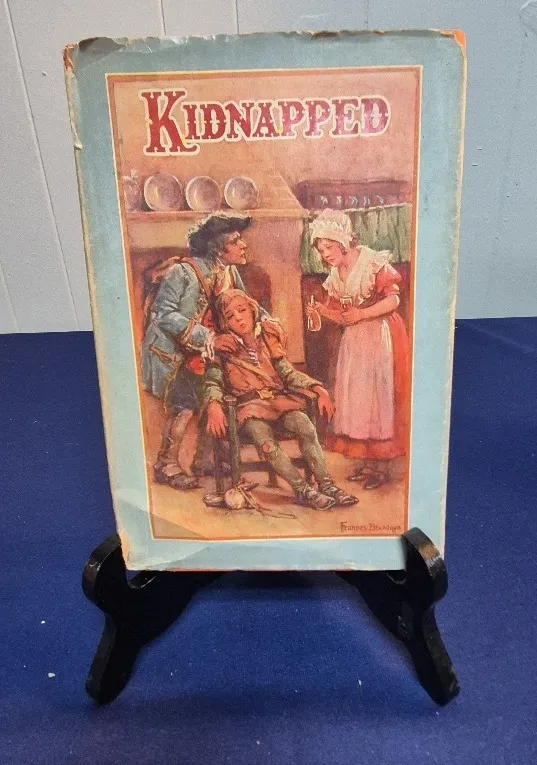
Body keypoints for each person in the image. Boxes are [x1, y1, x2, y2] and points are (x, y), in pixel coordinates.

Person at [141, 214, 266, 490]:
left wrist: (267, 323)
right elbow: (163, 314)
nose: (243, 245)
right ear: (218, 249)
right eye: (236, 241)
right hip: (177, 352)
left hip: (212, 351)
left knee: (213, 398)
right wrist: (208, 337)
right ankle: (167, 464)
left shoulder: (229, 272)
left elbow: (246, 303)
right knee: (184, 406)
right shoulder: (182, 272)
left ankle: (204, 460)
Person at [203, 289, 358, 510]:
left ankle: (327, 486)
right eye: (229, 316)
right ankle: (304, 491)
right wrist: (213, 405)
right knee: (264, 440)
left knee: (305, 425)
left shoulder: (267, 337)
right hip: (248, 409)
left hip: (277, 402)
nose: (238, 318)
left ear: (252, 311)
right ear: (224, 323)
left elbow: (288, 373)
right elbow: (212, 382)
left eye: (242, 310)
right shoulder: (221, 349)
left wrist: (317, 388)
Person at [306, 209, 409, 489]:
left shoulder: (372, 262)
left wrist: (362, 314)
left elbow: (393, 301)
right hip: (354, 342)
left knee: (376, 399)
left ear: (342, 241)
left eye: (328, 247)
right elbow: (343, 317)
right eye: (320, 250)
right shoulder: (335, 273)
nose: (324, 254)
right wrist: (321, 311)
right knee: (358, 399)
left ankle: (381, 468)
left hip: (378, 337)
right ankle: (366, 464)